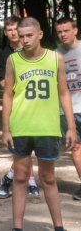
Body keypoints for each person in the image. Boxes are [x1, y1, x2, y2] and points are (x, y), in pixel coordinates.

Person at [1, 17, 75, 231]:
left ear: (40, 34)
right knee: (21, 177)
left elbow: (63, 93)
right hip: (21, 127)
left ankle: (59, 226)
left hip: (47, 128)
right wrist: (5, 128)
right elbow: (7, 95)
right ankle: (17, 227)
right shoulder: (13, 61)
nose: (24, 40)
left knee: (49, 178)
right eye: (21, 36)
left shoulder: (55, 59)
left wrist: (70, 126)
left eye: (29, 35)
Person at [0, 15, 40, 198]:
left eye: (16, 29)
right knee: (21, 145)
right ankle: (23, 180)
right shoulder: (3, 55)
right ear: (6, 33)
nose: (13, 33)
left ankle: (11, 177)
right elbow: (3, 83)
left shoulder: (33, 50)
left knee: (31, 144)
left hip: (36, 105)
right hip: (16, 105)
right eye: (9, 30)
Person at [55, 17, 81, 200]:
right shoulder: (55, 55)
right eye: (59, 32)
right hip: (68, 111)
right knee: (76, 148)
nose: (63, 34)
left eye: (66, 30)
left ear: (75, 30)